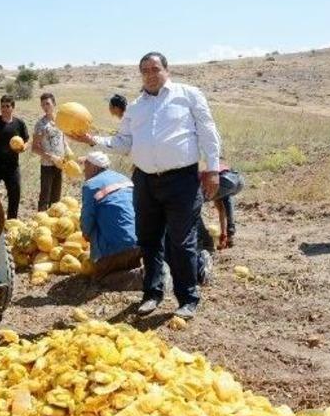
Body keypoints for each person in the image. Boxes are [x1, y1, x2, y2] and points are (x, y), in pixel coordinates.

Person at [72, 51, 221, 320]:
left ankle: (187, 297)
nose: (150, 75)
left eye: (155, 69)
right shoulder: (136, 107)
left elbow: (208, 132)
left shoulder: (188, 95)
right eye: (145, 71)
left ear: (167, 69)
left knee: (181, 240)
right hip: (144, 180)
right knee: (149, 240)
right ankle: (152, 294)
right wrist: (92, 139)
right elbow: (123, 143)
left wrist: (212, 169)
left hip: (181, 180)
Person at [79, 151, 140, 280]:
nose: (84, 170)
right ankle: (136, 270)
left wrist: (85, 234)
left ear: (94, 167)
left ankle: (136, 279)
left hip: (117, 245)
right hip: (140, 242)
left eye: (86, 165)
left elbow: (87, 219)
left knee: (99, 278)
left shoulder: (91, 185)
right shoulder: (123, 178)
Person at [0, 95, 29, 219]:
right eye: (2, 106)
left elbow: (26, 140)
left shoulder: (19, 124)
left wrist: (23, 147)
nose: (4, 109)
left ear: (13, 108)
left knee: (15, 194)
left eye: (7, 106)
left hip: (11, 166)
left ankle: (11, 222)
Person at [31, 93, 69, 211]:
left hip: (60, 164)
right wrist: (50, 157)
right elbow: (34, 147)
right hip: (47, 165)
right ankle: (40, 222)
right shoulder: (40, 124)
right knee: (45, 197)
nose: (45, 106)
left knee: (56, 197)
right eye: (43, 104)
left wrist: (67, 153)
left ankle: (53, 223)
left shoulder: (61, 122)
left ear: (54, 104)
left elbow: (63, 140)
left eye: (47, 104)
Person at [197, 164, 244, 251]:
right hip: (238, 179)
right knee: (226, 197)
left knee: (192, 207)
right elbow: (221, 209)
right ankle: (229, 234)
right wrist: (223, 233)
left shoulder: (193, 178)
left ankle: (206, 242)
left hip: (224, 179)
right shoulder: (208, 169)